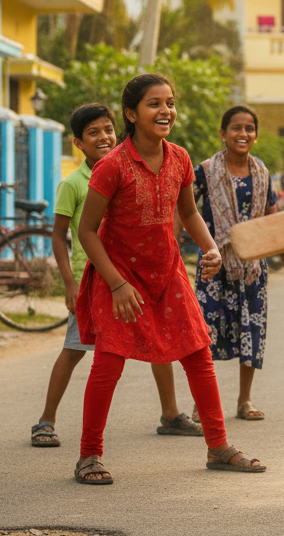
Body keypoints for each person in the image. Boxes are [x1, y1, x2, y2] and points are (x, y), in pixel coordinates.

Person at [72, 74, 264, 484]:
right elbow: (87, 231)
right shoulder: (111, 167)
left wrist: (210, 248)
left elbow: (190, 213)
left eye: (170, 103)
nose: (165, 111)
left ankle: (218, 446)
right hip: (118, 276)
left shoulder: (179, 157)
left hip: (168, 272)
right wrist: (118, 284)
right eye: (154, 104)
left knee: (198, 355)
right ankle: (89, 456)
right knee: (108, 363)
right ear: (131, 113)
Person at [30, 103, 204, 448]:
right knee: (79, 350)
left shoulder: (133, 167)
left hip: (136, 279)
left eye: (107, 130)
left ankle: (170, 414)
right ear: (77, 143)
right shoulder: (75, 183)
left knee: (161, 341)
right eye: (93, 133)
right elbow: (65, 233)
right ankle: (46, 421)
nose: (104, 137)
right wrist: (69, 282)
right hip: (93, 281)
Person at [194, 106, 284, 422]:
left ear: (255, 135)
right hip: (214, 265)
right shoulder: (204, 171)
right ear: (223, 134)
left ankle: (244, 401)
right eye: (236, 128)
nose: (243, 134)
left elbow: (271, 216)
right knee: (206, 335)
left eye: (249, 128)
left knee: (252, 330)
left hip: (253, 268)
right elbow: (184, 210)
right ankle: (203, 406)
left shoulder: (262, 172)